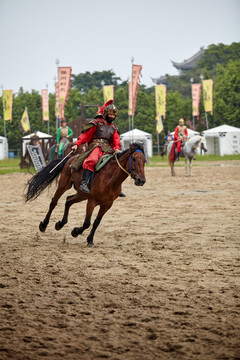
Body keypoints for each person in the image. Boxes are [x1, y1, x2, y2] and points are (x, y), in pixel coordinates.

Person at [72, 100, 121, 194]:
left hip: (108, 149)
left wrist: (117, 148)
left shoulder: (114, 127)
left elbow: (116, 140)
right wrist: (76, 144)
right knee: (92, 160)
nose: (112, 117)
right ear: (105, 114)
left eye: (114, 115)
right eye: (110, 114)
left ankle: (115, 186)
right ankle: (83, 183)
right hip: (96, 146)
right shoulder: (97, 122)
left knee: (116, 164)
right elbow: (85, 135)